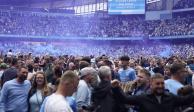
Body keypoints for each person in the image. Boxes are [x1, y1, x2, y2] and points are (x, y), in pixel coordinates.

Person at [112, 73, 194, 112]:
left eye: (162, 83)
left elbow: (186, 100)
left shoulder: (170, 97)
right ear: (151, 84)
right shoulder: (143, 97)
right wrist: (116, 88)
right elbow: (125, 99)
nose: (160, 86)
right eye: (157, 83)